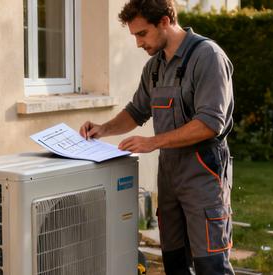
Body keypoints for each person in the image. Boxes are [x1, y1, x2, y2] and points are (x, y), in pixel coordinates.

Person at [79, 0, 235, 274]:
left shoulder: (208, 56)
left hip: (204, 171)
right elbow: (136, 111)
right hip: (169, 174)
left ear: (165, 21)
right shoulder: (154, 68)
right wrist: (103, 129)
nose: (138, 43)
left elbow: (210, 123)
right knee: (174, 261)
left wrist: (152, 142)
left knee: (211, 265)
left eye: (142, 34)